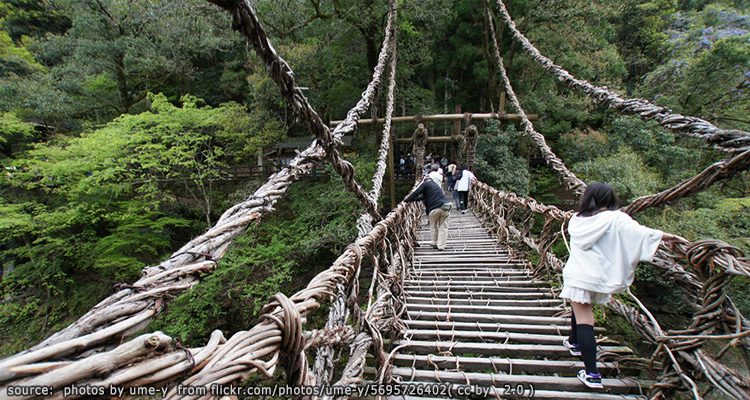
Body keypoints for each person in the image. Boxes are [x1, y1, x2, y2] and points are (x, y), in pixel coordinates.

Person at [560, 183, 687, 389]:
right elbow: (642, 233)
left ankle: (591, 373)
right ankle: (575, 343)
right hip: (598, 276)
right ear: (609, 199)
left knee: (583, 315)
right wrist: (670, 237)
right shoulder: (616, 218)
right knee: (583, 311)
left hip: (577, 274)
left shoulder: (576, 220)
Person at [404, 177, 453, 250]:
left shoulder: (425, 184)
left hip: (433, 210)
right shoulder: (436, 186)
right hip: (445, 207)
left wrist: (407, 200)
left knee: (433, 226)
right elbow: (422, 197)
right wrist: (413, 199)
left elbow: (416, 192)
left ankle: (434, 242)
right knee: (444, 227)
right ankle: (441, 246)